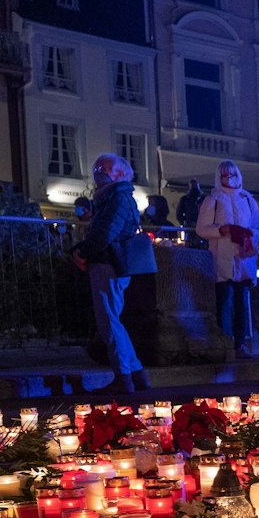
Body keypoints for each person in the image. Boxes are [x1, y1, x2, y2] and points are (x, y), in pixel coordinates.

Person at [71, 154, 154, 394]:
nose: (98, 170)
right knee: (113, 321)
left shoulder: (116, 197)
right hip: (112, 262)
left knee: (109, 322)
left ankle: (124, 376)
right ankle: (136, 374)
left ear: (120, 173)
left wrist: (83, 252)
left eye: (104, 167)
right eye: (97, 166)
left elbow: (105, 232)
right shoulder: (114, 197)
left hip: (109, 263)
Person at [194, 160, 259, 358]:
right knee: (224, 302)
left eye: (232, 173)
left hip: (243, 259)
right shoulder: (212, 200)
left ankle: (240, 344)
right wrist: (221, 231)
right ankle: (224, 344)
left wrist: (248, 235)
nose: (228, 177)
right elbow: (201, 229)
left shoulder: (248, 200)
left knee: (242, 303)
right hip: (222, 259)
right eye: (224, 174)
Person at [175, 180, 207, 248]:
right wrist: (184, 223)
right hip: (191, 224)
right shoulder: (185, 199)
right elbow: (179, 214)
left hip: (200, 224)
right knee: (192, 242)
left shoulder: (204, 198)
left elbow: (179, 214)